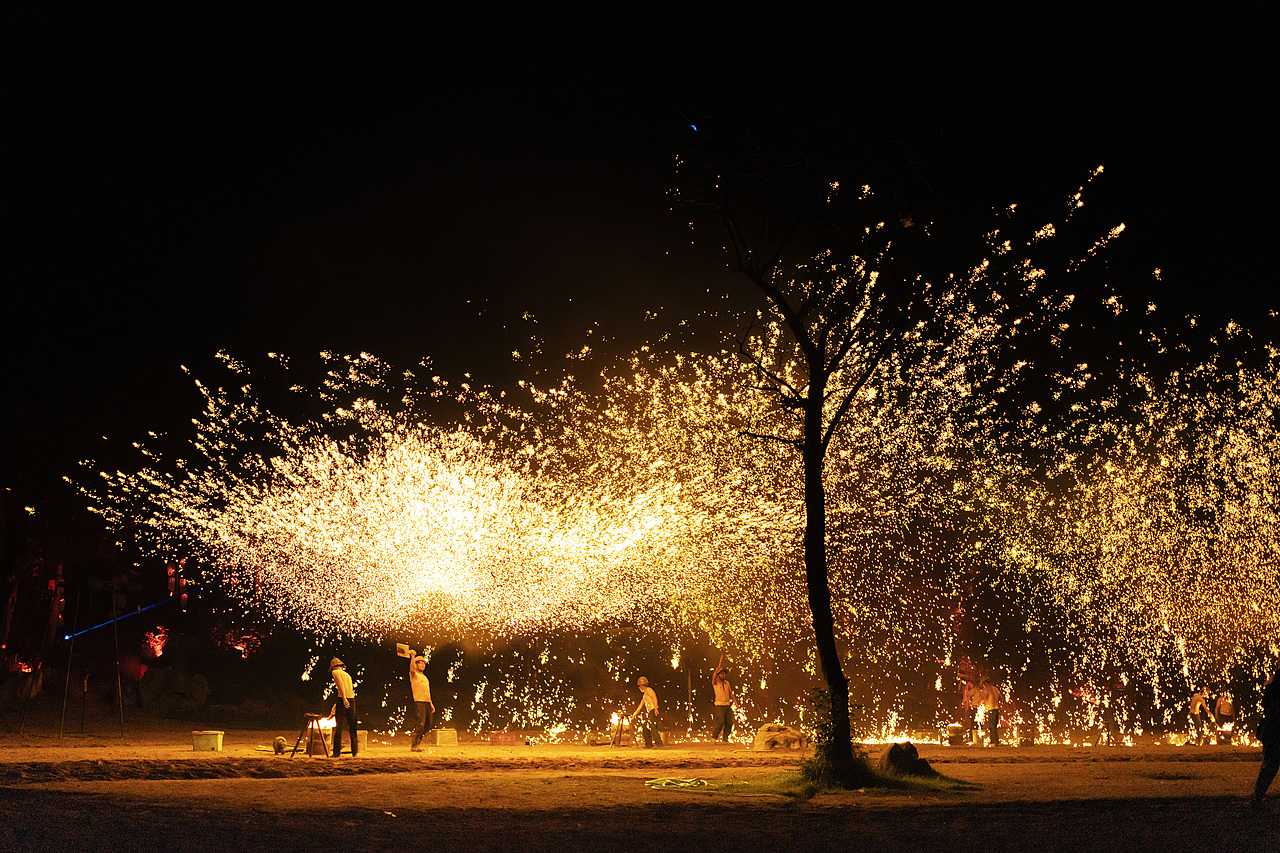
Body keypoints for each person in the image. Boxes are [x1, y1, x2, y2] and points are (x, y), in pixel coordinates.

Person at [1252, 669, 1279, 811]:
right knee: (1270, 765)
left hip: (1271, 731)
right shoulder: (1274, 691)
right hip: (1274, 731)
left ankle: (1258, 796)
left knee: (1270, 765)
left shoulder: (1271, 689)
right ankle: (1257, 797)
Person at [406, 648, 434, 752]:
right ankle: (415, 746)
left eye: (424, 664)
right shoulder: (414, 675)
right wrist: (412, 657)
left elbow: (428, 692)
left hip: (426, 703)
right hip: (419, 703)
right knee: (420, 724)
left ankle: (418, 742)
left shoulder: (424, 677)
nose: (423, 665)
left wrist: (431, 704)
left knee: (428, 724)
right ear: (416, 664)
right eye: (420, 663)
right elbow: (412, 669)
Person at [330, 657, 358, 757]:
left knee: (338, 728)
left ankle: (336, 752)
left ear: (333, 667)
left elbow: (340, 685)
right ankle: (355, 752)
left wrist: (344, 700)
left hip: (343, 699)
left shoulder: (335, 673)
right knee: (352, 728)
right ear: (342, 666)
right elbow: (349, 689)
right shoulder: (348, 675)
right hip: (352, 700)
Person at [631, 676, 659, 748]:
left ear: (642, 685)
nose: (639, 688)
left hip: (653, 710)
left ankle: (659, 743)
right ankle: (648, 744)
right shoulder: (645, 695)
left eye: (639, 686)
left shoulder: (649, 690)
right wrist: (634, 714)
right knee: (645, 727)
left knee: (652, 726)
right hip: (650, 712)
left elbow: (655, 698)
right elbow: (640, 705)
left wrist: (656, 709)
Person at [711, 653, 733, 742]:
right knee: (720, 722)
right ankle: (714, 737)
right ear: (719, 675)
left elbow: (731, 694)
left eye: (724, 674)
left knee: (729, 723)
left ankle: (725, 739)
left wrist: (735, 703)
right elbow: (714, 677)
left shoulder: (727, 683)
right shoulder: (716, 683)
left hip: (727, 705)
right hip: (720, 705)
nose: (723, 675)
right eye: (722, 674)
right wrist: (716, 671)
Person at [980, 677, 1002, 746]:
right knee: (994, 726)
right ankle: (995, 741)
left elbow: (985, 697)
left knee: (992, 727)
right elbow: (1000, 697)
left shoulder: (987, 689)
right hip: (996, 709)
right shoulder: (995, 688)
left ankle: (994, 742)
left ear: (985, 683)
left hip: (991, 709)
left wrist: (981, 702)